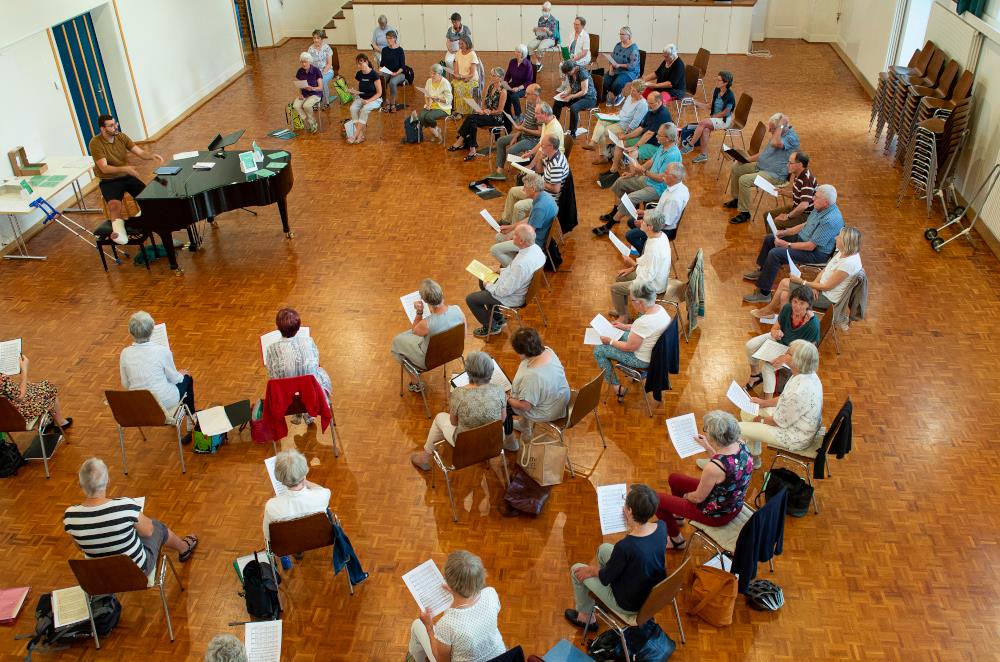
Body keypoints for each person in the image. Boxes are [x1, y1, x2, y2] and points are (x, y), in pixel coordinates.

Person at [64, 458, 198, 575]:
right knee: (157, 526)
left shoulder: (70, 516)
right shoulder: (125, 506)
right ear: (108, 481)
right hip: (136, 573)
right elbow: (148, 532)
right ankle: (183, 548)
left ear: (80, 484)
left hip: (101, 577)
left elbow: (79, 547)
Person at [565, 484, 666, 629]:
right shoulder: (661, 527)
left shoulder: (625, 546)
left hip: (628, 604)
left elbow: (606, 577)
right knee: (604, 549)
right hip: (649, 592)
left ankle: (586, 618)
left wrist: (593, 570)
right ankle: (601, 599)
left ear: (629, 511)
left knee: (576, 570)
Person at [655, 411, 754, 550]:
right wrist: (707, 447)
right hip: (733, 503)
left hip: (716, 515)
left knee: (656, 499)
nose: (705, 432)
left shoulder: (713, 468)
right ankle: (678, 516)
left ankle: (676, 540)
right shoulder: (742, 444)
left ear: (714, 438)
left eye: (706, 429)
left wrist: (686, 496)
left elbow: (697, 498)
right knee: (674, 479)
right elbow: (728, 464)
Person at [743, 185, 844, 304]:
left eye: (816, 197)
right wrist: (784, 232)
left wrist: (787, 244)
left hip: (815, 253)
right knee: (770, 238)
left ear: (826, 202)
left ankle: (764, 294)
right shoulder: (821, 207)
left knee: (775, 254)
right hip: (804, 240)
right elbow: (806, 224)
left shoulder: (830, 220)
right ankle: (763, 270)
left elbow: (810, 246)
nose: (812, 199)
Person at [410, 351, 507, 471]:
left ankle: (424, 458)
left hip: (465, 444)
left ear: (468, 372)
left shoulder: (459, 393)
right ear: (490, 371)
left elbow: (454, 422)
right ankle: (483, 455)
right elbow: (503, 419)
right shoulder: (499, 390)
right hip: (493, 441)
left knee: (439, 417)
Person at [407, 550, 505, 662]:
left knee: (417, 625)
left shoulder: (447, 624)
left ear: (448, 583)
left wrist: (429, 627)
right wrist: (457, 589)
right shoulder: (491, 593)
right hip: (502, 658)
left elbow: (442, 660)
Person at [738, 340, 823, 468]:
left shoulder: (799, 392)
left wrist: (760, 420)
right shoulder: (806, 374)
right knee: (747, 411)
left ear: (797, 361)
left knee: (738, 428)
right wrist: (763, 403)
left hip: (794, 436)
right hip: (791, 422)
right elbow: (785, 398)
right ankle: (753, 457)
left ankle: (741, 462)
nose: (784, 353)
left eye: (788, 353)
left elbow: (779, 422)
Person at [753, 227, 863, 321]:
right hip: (820, 290)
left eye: (839, 237)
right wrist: (815, 285)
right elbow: (825, 270)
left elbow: (827, 287)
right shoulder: (844, 252)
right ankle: (785, 323)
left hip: (827, 299)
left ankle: (769, 311)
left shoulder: (848, 264)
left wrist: (803, 282)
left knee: (784, 283)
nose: (835, 238)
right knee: (784, 294)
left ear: (846, 242)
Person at [88, 114, 164, 244]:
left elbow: (140, 152)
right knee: (114, 205)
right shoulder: (95, 143)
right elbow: (104, 168)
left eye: (115, 124)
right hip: (109, 180)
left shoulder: (121, 137)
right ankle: (119, 233)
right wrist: (125, 169)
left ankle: (150, 226)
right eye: (111, 125)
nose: (115, 127)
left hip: (126, 176)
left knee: (148, 199)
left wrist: (151, 156)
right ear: (102, 129)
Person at [594, 123, 680, 235]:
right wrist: (633, 173)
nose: (656, 136)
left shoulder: (672, 155)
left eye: (659, 135)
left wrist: (643, 171)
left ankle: (610, 224)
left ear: (667, 138)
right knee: (620, 182)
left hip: (658, 188)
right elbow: (651, 161)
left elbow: (660, 179)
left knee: (631, 197)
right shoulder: (663, 146)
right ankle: (616, 211)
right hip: (649, 180)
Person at [119, 311, 195, 431]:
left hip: (138, 404)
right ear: (151, 330)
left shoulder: (125, 353)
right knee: (187, 379)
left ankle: (187, 417)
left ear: (130, 331)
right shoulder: (162, 351)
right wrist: (182, 374)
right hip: (164, 402)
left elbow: (125, 384)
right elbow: (175, 379)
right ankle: (191, 420)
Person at [465, 225, 545, 337]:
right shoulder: (535, 248)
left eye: (515, 235)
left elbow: (504, 291)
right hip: (518, 287)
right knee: (483, 278)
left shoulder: (521, 264)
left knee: (471, 299)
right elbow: (515, 273)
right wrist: (501, 271)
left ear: (521, 241)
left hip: (512, 296)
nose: (512, 236)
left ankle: (492, 327)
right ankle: (498, 318)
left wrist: (488, 285)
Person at [597, 281, 671, 399]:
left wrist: (610, 341)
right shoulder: (660, 309)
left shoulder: (643, 322)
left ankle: (617, 388)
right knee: (621, 334)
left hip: (641, 360)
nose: (631, 303)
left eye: (632, 300)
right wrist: (625, 327)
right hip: (657, 355)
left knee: (599, 350)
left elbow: (629, 348)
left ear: (640, 302)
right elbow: (646, 330)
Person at [744, 286, 820, 399]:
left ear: (808, 305)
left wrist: (786, 357)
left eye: (802, 303)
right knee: (750, 346)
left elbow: (808, 355)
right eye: (795, 301)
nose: (797, 306)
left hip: (794, 354)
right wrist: (775, 332)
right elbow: (774, 328)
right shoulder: (787, 308)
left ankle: (767, 403)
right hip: (779, 342)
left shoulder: (813, 325)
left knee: (767, 368)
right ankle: (755, 375)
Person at [392, 279, 466, 393]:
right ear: (441, 293)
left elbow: (414, 331)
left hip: (428, 361)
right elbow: (464, 335)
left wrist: (419, 312)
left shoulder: (425, 324)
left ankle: (415, 382)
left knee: (397, 343)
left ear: (425, 300)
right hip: (455, 351)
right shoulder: (457, 310)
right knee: (407, 338)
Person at [726, 112, 800, 224]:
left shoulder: (791, 138)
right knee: (737, 167)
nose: (769, 131)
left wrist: (780, 125)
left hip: (775, 175)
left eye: (772, 128)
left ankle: (744, 213)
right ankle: (737, 199)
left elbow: (775, 143)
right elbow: (764, 153)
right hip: (762, 167)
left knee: (744, 180)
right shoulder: (777, 134)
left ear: (781, 127)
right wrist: (746, 159)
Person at [506, 327, 570, 447]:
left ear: (521, 352)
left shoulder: (532, 376)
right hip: (560, 398)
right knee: (524, 393)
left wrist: (508, 398)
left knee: (503, 406)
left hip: (549, 410)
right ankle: (524, 425)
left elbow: (525, 406)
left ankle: (510, 442)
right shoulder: (548, 351)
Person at [265, 307, 333, 405]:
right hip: (312, 393)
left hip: (286, 397)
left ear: (278, 328)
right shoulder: (309, 341)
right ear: (298, 328)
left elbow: (272, 375)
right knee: (319, 371)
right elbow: (317, 362)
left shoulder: (271, 349)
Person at [262, 449, 331, 540]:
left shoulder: (271, 506)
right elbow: (320, 489)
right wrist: (303, 480)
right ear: (304, 473)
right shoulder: (323, 495)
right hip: (318, 539)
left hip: (289, 542)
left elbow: (268, 535)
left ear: (280, 479)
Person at [491, 173, 558, 266]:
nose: (523, 189)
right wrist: (511, 227)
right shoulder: (543, 196)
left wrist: (512, 236)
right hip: (535, 236)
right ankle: (514, 261)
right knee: (500, 236)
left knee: (495, 249)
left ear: (533, 189)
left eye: (525, 187)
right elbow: (530, 219)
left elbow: (528, 234)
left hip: (533, 243)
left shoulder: (540, 207)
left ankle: (515, 268)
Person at [500, 134, 568, 223]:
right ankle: (506, 220)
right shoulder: (550, 155)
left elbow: (556, 189)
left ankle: (518, 230)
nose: (541, 146)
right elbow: (539, 171)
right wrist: (539, 159)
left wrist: (538, 183)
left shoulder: (556, 164)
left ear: (551, 146)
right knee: (513, 191)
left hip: (547, 198)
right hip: (540, 190)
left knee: (519, 206)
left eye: (543, 145)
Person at [597, 91, 671, 173]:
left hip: (656, 145)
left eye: (651, 103)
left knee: (632, 153)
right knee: (620, 143)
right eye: (647, 102)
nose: (648, 105)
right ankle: (613, 170)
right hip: (646, 139)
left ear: (659, 102)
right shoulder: (651, 110)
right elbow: (641, 128)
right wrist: (625, 137)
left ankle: (632, 176)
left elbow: (649, 134)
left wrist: (636, 146)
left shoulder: (662, 115)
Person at [625, 162, 689, 253]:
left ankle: (647, 253)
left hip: (664, 229)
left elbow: (665, 223)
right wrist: (645, 213)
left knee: (630, 235)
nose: (663, 174)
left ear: (674, 177)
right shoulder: (680, 187)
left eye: (666, 173)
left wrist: (645, 224)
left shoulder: (674, 199)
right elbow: (661, 209)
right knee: (631, 221)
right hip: (659, 219)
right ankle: (646, 243)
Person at [0, 354, 72, 434]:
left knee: (30, 386)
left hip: (2, 417)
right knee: (48, 387)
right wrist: (24, 370)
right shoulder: (1, 379)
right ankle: (60, 422)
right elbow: (20, 396)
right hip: (16, 416)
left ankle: (47, 421)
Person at [449, 67, 509, 159]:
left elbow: (500, 111)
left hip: (496, 118)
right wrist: (482, 110)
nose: (491, 77)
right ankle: (472, 148)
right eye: (491, 75)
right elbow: (485, 102)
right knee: (472, 121)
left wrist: (489, 112)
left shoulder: (503, 91)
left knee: (471, 118)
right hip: (487, 114)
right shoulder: (490, 87)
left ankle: (461, 140)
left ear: (500, 78)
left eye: (494, 76)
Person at [680, 71, 736, 164]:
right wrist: (696, 103)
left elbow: (725, 113)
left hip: (724, 120)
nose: (716, 81)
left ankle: (690, 145)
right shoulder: (717, 90)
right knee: (705, 130)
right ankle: (703, 155)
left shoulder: (730, 96)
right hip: (716, 118)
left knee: (702, 123)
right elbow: (710, 106)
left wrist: (714, 117)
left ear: (725, 82)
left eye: (719, 80)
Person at [489, 83, 542, 180]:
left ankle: (524, 171)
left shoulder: (541, 110)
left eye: (528, 94)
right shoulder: (530, 103)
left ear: (535, 95)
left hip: (532, 140)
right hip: (523, 134)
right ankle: (499, 171)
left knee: (510, 151)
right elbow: (525, 122)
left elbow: (540, 133)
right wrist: (516, 135)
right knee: (500, 141)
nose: (525, 95)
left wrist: (523, 129)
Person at [582, 80, 647, 153]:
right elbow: (623, 110)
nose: (631, 92)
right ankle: (592, 143)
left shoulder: (642, 104)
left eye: (634, 91)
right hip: (617, 119)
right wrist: (614, 114)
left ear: (640, 92)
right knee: (601, 120)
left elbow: (635, 122)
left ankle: (602, 153)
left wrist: (625, 133)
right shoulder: (629, 97)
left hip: (624, 126)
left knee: (601, 132)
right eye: (631, 89)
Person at [770, 151, 817, 230]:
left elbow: (804, 205)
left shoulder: (807, 180)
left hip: (806, 215)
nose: (787, 165)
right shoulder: (798, 174)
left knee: (776, 223)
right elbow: (797, 194)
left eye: (790, 163)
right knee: (767, 215)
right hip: (796, 207)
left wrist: (788, 216)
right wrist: (782, 192)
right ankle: (775, 237)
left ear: (799, 165)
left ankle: (778, 237)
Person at [552, 61, 597, 137]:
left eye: (568, 73)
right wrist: (566, 93)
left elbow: (584, 91)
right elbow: (571, 86)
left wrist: (571, 96)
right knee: (557, 102)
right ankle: (553, 125)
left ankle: (572, 132)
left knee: (574, 108)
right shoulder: (570, 72)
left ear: (574, 68)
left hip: (589, 98)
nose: (568, 75)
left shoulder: (582, 73)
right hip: (577, 96)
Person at [347, 54, 382, 144]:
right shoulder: (359, 74)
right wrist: (354, 91)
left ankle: (355, 135)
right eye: (358, 64)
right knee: (352, 108)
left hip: (374, 99)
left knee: (364, 109)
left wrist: (368, 101)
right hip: (362, 97)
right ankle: (360, 135)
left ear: (366, 61)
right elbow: (360, 89)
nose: (359, 66)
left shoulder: (374, 74)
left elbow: (379, 93)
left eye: (361, 63)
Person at [603, 27, 641, 105]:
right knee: (605, 80)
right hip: (616, 68)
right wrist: (611, 68)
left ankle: (618, 96)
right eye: (620, 34)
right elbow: (612, 58)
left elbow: (632, 66)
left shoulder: (633, 49)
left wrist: (619, 65)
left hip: (629, 72)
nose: (621, 36)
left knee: (617, 83)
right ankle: (610, 95)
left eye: (623, 34)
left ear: (629, 36)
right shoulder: (618, 45)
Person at [418, 64, 453, 143]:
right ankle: (436, 131)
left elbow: (449, 100)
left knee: (429, 117)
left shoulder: (445, 83)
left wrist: (438, 99)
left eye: (434, 73)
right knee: (421, 117)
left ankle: (436, 134)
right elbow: (426, 95)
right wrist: (428, 104)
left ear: (440, 74)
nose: (431, 75)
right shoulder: (429, 81)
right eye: (431, 73)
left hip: (443, 107)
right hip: (431, 105)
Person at [293, 52, 324, 133]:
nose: (304, 64)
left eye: (305, 62)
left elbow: (321, 87)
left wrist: (312, 88)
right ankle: (309, 121)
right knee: (296, 105)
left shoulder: (316, 71)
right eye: (302, 62)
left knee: (306, 105)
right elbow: (300, 85)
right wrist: (300, 94)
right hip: (304, 94)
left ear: (310, 61)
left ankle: (312, 122)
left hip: (315, 94)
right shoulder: (300, 71)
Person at [450, 37, 481, 116]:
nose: (460, 46)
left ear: (467, 43)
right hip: (461, 77)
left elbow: (472, 74)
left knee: (461, 87)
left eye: (462, 44)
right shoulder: (458, 53)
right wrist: (456, 75)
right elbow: (456, 67)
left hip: (471, 78)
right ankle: (457, 109)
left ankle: (465, 111)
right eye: (459, 44)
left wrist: (461, 77)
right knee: (453, 84)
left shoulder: (472, 54)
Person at [502, 45, 535, 117]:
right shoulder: (512, 62)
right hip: (514, 84)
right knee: (503, 91)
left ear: (523, 54)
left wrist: (518, 88)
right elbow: (508, 75)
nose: (516, 53)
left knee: (514, 96)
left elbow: (529, 81)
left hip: (525, 87)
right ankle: (508, 114)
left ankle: (519, 115)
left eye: (518, 52)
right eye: (516, 51)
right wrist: (505, 82)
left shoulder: (528, 64)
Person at [307, 29, 335, 108]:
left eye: (318, 38)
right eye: (314, 38)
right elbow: (309, 64)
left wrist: (322, 74)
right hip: (315, 72)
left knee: (321, 80)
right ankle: (319, 99)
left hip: (327, 71)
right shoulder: (310, 49)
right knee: (314, 81)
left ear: (322, 39)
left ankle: (325, 100)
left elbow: (329, 64)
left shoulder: (326, 48)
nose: (316, 40)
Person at [527, 2, 559, 69]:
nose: (544, 11)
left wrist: (547, 31)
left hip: (550, 39)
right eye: (543, 10)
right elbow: (538, 32)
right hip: (540, 37)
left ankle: (538, 63)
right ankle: (538, 63)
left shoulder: (553, 20)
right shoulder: (541, 18)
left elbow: (552, 34)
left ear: (549, 10)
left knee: (540, 48)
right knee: (529, 46)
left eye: (545, 10)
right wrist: (535, 30)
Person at [380, 31, 406, 112]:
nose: (388, 40)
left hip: (399, 73)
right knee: (381, 80)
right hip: (388, 71)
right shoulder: (384, 50)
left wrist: (396, 73)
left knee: (392, 82)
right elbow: (382, 64)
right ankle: (385, 100)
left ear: (395, 39)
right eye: (387, 38)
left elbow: (403, 67)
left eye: (390, 38)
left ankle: (393, 102)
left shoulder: (400, 50)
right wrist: (381, 70)